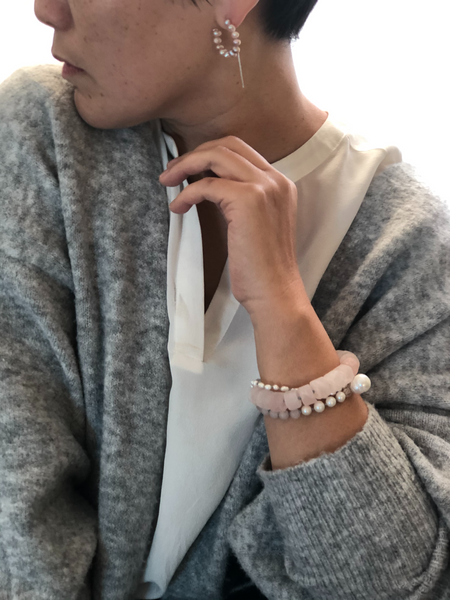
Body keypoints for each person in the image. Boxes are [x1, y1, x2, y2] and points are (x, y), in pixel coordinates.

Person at [0, 0, 449, 598]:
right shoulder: (44, 137)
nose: (45, 9)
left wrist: (285, 313)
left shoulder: (410, 249)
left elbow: (391, 584)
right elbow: (16, 517)